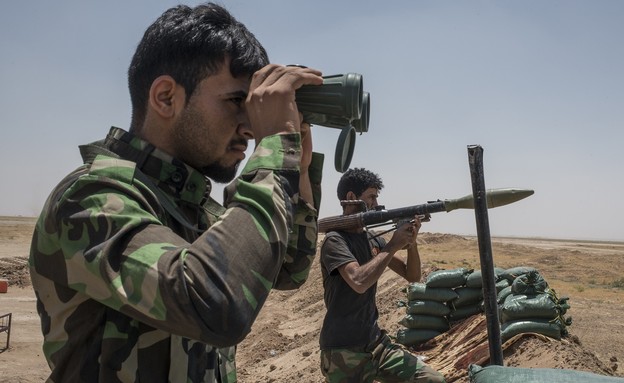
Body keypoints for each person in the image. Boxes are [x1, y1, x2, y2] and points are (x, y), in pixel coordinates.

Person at [28, 3, 325, 382]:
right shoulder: (91, 197)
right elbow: (214, 302)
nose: (250, 128)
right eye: (237, 102)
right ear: (166, 97)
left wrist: (296, 166)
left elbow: (290, 267)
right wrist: (274, 153)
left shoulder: (189, 205)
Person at [319, 168, 445, 383]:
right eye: (371, 197)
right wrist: (394, 244)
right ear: (351, 198)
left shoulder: (371, 239)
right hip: (343, 351)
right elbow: (359, 281)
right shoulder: (335, 240)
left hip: (376, 343)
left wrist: (410, 243)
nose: (376, 204)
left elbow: (412, 276)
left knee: (430, 380)